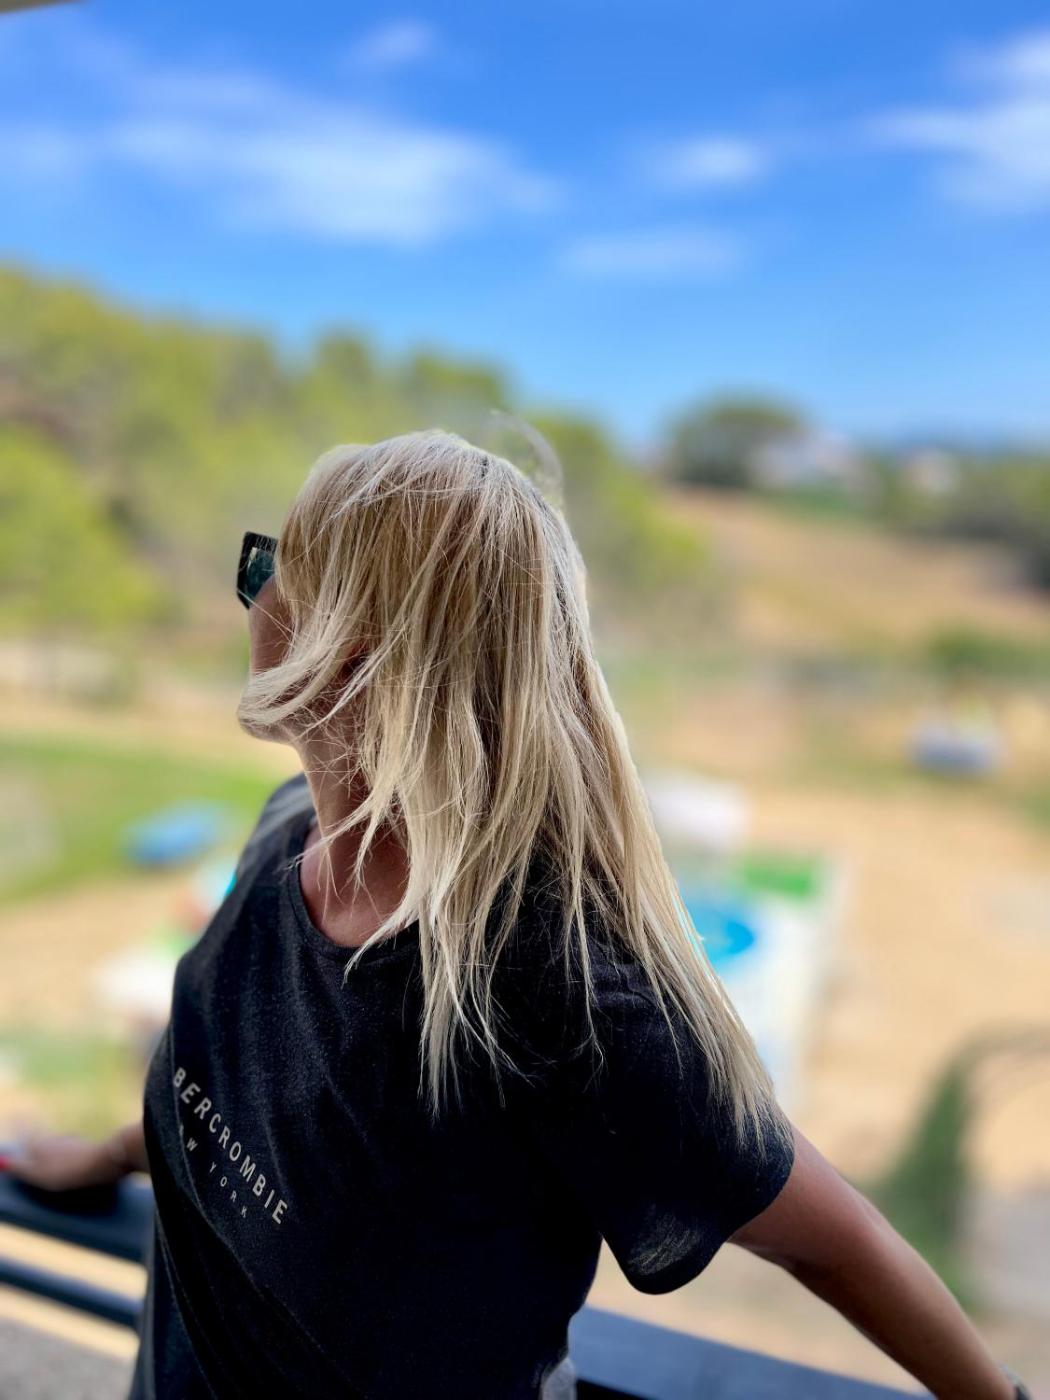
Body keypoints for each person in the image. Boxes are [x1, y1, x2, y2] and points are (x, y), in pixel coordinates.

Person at [7, 430, 1035, 1400]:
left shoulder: (547, 986)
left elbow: (838, 1241)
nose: (254, 592)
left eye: (273, 567)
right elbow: (238, 1085)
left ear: (349, 652)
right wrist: (107, 1154)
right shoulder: (283, 838)